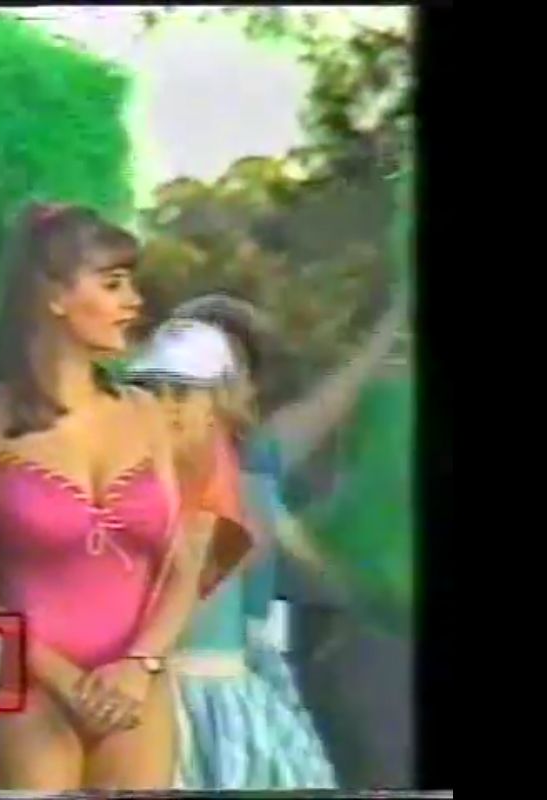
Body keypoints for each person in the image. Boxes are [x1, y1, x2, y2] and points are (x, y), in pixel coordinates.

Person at [0, 202, 253, 790]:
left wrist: (140, 664)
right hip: (26, 688)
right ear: (54, 296)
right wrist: (62, 679)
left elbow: (183, 563)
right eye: (113, 284)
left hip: (135, 689)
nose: (134, 301)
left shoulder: (145, 413)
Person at [170, 292, 409, 788]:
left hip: (246, 680)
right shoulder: (151, 468)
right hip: (190, 688)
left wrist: (390, 321)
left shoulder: (257, 455)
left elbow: (339, 393)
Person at [122, 312, 338, 789]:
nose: (164, 405)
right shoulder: (127, 484)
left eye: (181, 392)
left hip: (209, 701)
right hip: (149, 697)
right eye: (150, 389)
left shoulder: (236, 494)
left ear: (217, 404)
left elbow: (184, 590)